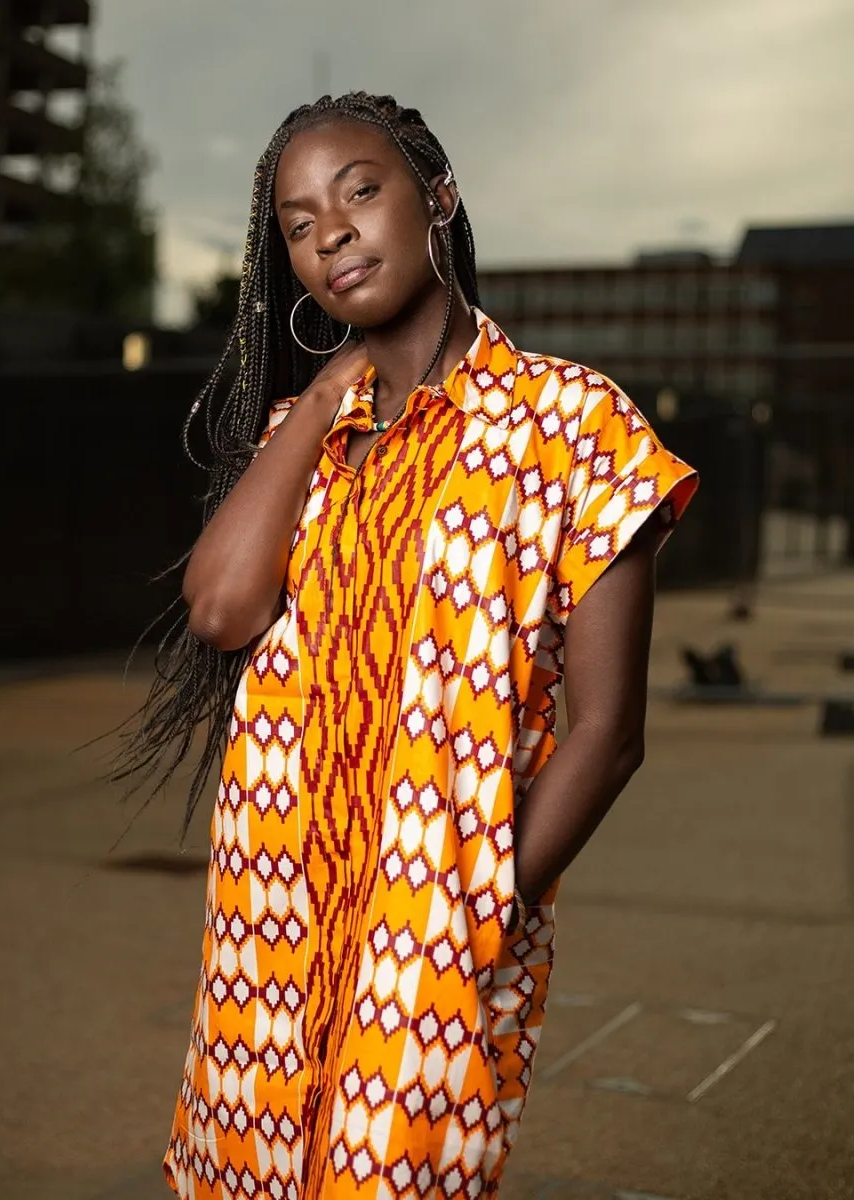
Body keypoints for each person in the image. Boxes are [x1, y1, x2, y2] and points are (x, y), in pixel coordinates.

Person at [120, 91, 698, 1199]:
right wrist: (332, 388)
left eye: (360, 191)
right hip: (273, 912)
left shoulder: (575, 424)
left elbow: (610, 734)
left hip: (438, 925)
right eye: (296, 222)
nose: (329, 232)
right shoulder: (310, 433)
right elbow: (221, 611)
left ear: (437, 199)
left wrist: (481, 909)